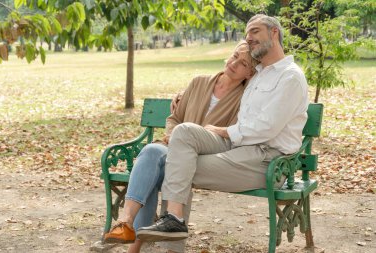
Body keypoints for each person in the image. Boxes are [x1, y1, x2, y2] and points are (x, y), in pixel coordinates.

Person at [135, 14, 309, 243]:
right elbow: (225, 82)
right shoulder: (258, 76)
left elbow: (268, 127)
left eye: (255, 31)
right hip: (239, 150)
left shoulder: (290, 77)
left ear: (274, 32)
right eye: (247, 34)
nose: (249, 37)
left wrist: (225, 131)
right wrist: (182, 96)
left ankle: (167, 240)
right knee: (184, 133)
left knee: (174, 166)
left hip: (268, 161)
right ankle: (174, 219)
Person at [103, 40, 257, 253]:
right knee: (151, 155)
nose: (234, 64)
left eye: (243, 63)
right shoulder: (199, 82)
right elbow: (174, 118)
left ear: (250, 73)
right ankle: (127, 223)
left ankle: (133, 240)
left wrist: (184, 135)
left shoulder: (244, 98)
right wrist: (171, 135)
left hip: (206, 157)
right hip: (174, 150)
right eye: (234, 56)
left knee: (157, 164)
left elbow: (230, 135)